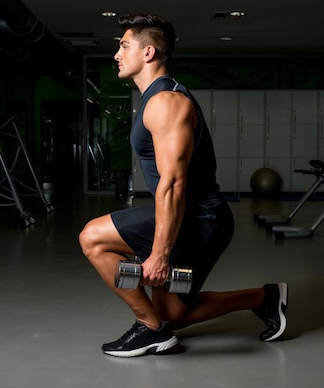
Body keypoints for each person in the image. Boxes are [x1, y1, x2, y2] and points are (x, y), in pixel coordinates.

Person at [79, 14, 288, 358]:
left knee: (92, 237)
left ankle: (150, 331)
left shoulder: (166, 102)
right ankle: (264, 298)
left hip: (199, 218)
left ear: (148, 53)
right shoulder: (155, 98)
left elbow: (174, 184)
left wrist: (159, 254)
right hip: (191, 217)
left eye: (124, 46)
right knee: (175, 314)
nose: (117, 54)